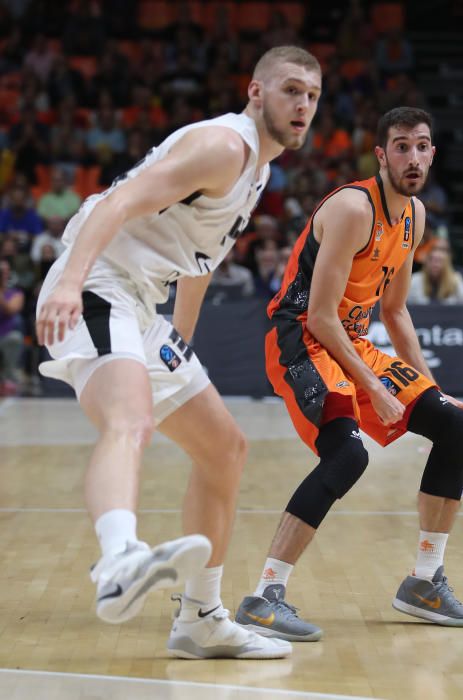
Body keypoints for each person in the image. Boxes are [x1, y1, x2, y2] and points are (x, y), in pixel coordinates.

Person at [35, 45, 322, 660]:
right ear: (256, 92)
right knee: (129, 418)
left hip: (142, 306)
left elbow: (198, 262)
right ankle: (117, 561)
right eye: (291, 90)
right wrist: (65, 282)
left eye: (312, 96)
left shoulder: (258, 173)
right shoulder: (224, 147)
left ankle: (200, 619)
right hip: (99, 279)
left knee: (224, 449)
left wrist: (177, 341)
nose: (303, 105)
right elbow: (117, 201)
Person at [234, 107, 463, 642]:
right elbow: (320, 317)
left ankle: (424, 581)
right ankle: (264, 596)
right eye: (400, 146)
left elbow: (395, 311)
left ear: (433, 153)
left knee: (457, 425)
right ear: (380, 154)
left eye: (421, 146)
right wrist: (373, 389)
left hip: (352, 342)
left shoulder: (414, 215)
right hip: (300, 337)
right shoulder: (353, 208)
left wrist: (430, 389)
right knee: (348, 453)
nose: (412, 157)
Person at [408, 241, 463, 305]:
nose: (435, 264)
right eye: (431, 259)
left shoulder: (456, 279)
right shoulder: (415, 279)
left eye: (439, 260)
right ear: (426, 262)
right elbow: (407, 304)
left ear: (447, 264)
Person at [0, 259, 25, 396]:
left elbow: (10, 309)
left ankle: (8, 377)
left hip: (6, 336)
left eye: (3, 271)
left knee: (15, 338)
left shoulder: (16, 293)